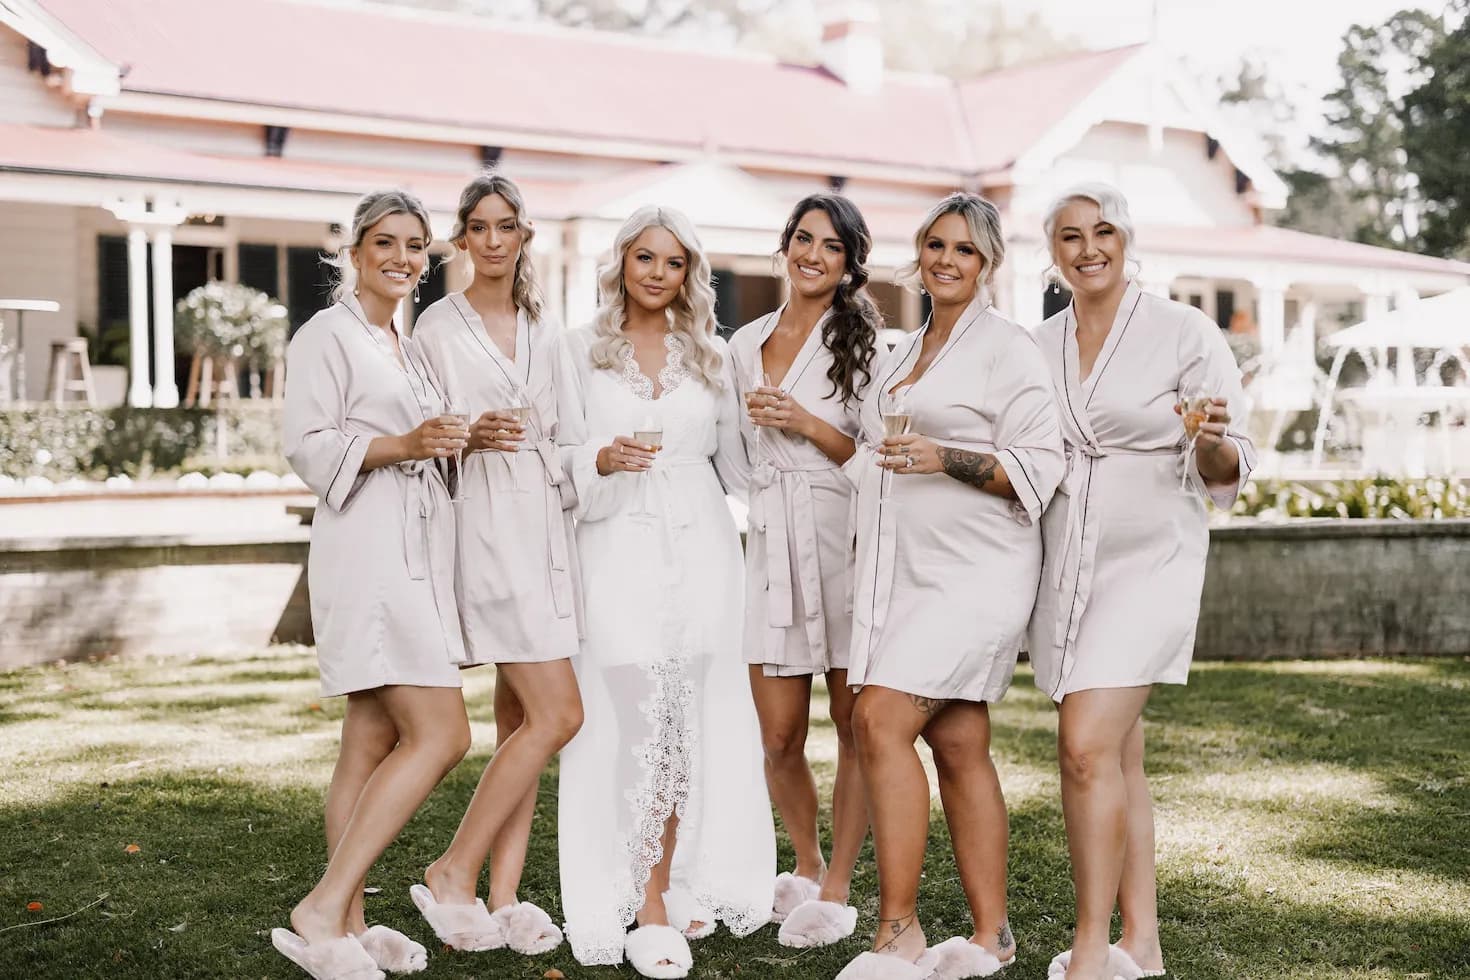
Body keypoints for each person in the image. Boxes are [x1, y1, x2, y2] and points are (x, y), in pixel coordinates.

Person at [1026, 183, 1255, 980]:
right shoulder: (1038, 343)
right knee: (1119, 758)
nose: (1088, 248)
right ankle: (1143, 943)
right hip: (1067, 564)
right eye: (1070, 236)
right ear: (1051, 251)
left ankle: (1091, 949)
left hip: (1151, 559)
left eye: (1102, 232)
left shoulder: (1182, 330)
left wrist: (1210, 440)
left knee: (1084, 748)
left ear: (1126, 238)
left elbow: (1229, 466)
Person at [837, 192, 1065, 980]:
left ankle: (896, 928)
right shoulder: (902, 352)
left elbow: (1039, 464)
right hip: (904, 574)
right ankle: (994, 935)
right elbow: (871, 450)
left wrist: (945, 458)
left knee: (878, 718)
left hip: (978, 574)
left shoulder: (1010, 349)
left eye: (964, 249)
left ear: (989, 262)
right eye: (935, 244)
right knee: (960, 742)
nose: (946, 259)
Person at [556, 205, 775, 979]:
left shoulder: (711, 357)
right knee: (630, 715)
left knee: (686, 718)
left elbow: (739, 465)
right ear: (620, 264)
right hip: (615, 543)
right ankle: (639, 898)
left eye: (673, 262)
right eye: (644, 258)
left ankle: (674, 884)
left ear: (690, 274)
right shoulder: (577, 352)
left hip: (702, 547)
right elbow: (557, 452)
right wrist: (597, 462)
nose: (657, 273)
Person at [276, 189, 470, 980]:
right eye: (385, 243)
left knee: (369, 735)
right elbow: (308, 445)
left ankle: (346, 927)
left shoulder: (405, 342)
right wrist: (405, 443)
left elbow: (417, 437)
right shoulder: (327, 335)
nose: (401, 258)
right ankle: (323, 904)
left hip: (413, 541)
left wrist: (455, 441)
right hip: (367, 547)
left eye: (415, 245)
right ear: (353, 253)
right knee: (443, 733)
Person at [409, 172, 581, 956]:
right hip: (484, 529)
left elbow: (571, 433)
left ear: (523, 236)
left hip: (548, 529)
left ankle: (505, 897)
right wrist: (467, 437)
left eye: (505, 226)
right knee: (560, 714)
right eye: (477, 227)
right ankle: (454, 868)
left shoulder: (550, 328)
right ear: (463, 238)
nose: (492, 240)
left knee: (521, 721)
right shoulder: (436, 330)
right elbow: (418, 440)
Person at [727, 193, 881, 949]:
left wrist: (809, 424)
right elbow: (729, 454)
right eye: (801, 239)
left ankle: (843, 881)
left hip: (844, 541)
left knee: (854, 723)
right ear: (784, 245)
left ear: (850, 262)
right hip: (768, 541)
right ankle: (807, 860)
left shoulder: (870, 346)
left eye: (830, 245)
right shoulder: (742, 342)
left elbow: (882, 461)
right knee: (780, 735)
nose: (812, 254)